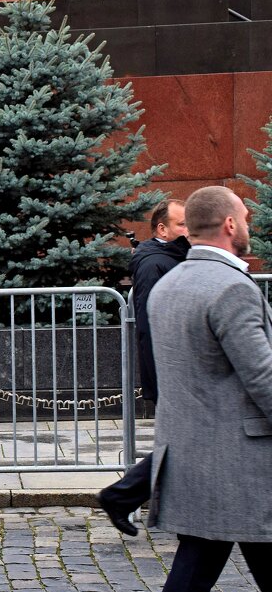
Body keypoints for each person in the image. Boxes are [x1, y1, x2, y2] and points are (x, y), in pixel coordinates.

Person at [143, 186, 272, 592]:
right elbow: (263, 379)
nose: (248, 222)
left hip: (198, 455)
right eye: (244, 216)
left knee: (195, 565)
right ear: (228, 226)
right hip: (241, 463)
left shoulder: (171, 283)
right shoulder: (231, 288)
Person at [97, 200, 188, 536]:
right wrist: (162, 377)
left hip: (180, 370)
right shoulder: (153, 264)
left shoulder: (177, 257)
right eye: (182, 225)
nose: (188, 230)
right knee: (183, 445)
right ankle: (120, 497)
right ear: (162, 229)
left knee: (182, 445)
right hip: (172, 371)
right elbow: (150, 326)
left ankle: (122, 497)